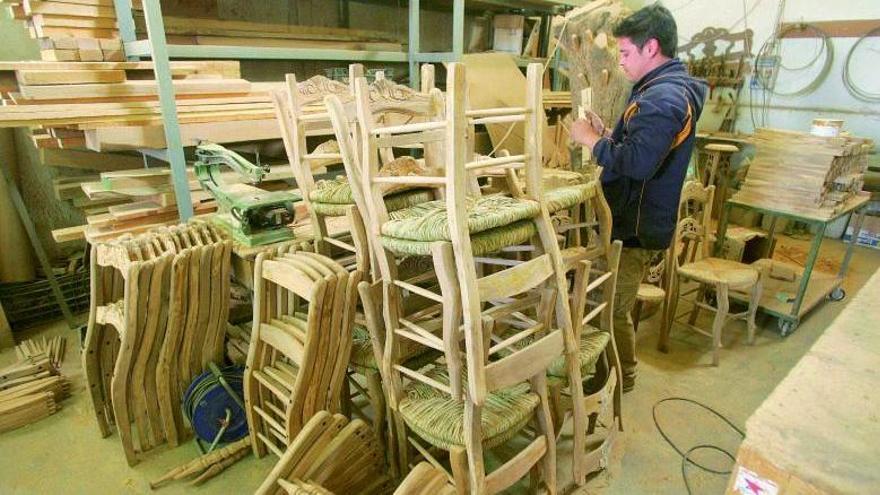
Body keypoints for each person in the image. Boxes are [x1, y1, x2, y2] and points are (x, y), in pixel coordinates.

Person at [570, 4, 707, 392]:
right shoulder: (659, 90)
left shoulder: (664, 98)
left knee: (612, 312)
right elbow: (640, 147)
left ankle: (620, 378)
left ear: (652, 48)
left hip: (635, 228)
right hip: (633, 217)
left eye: (627, 53)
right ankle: (607, 373)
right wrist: (610, 135)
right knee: (608, 307)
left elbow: (639, 163)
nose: (622, 62)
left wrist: (591, 141)